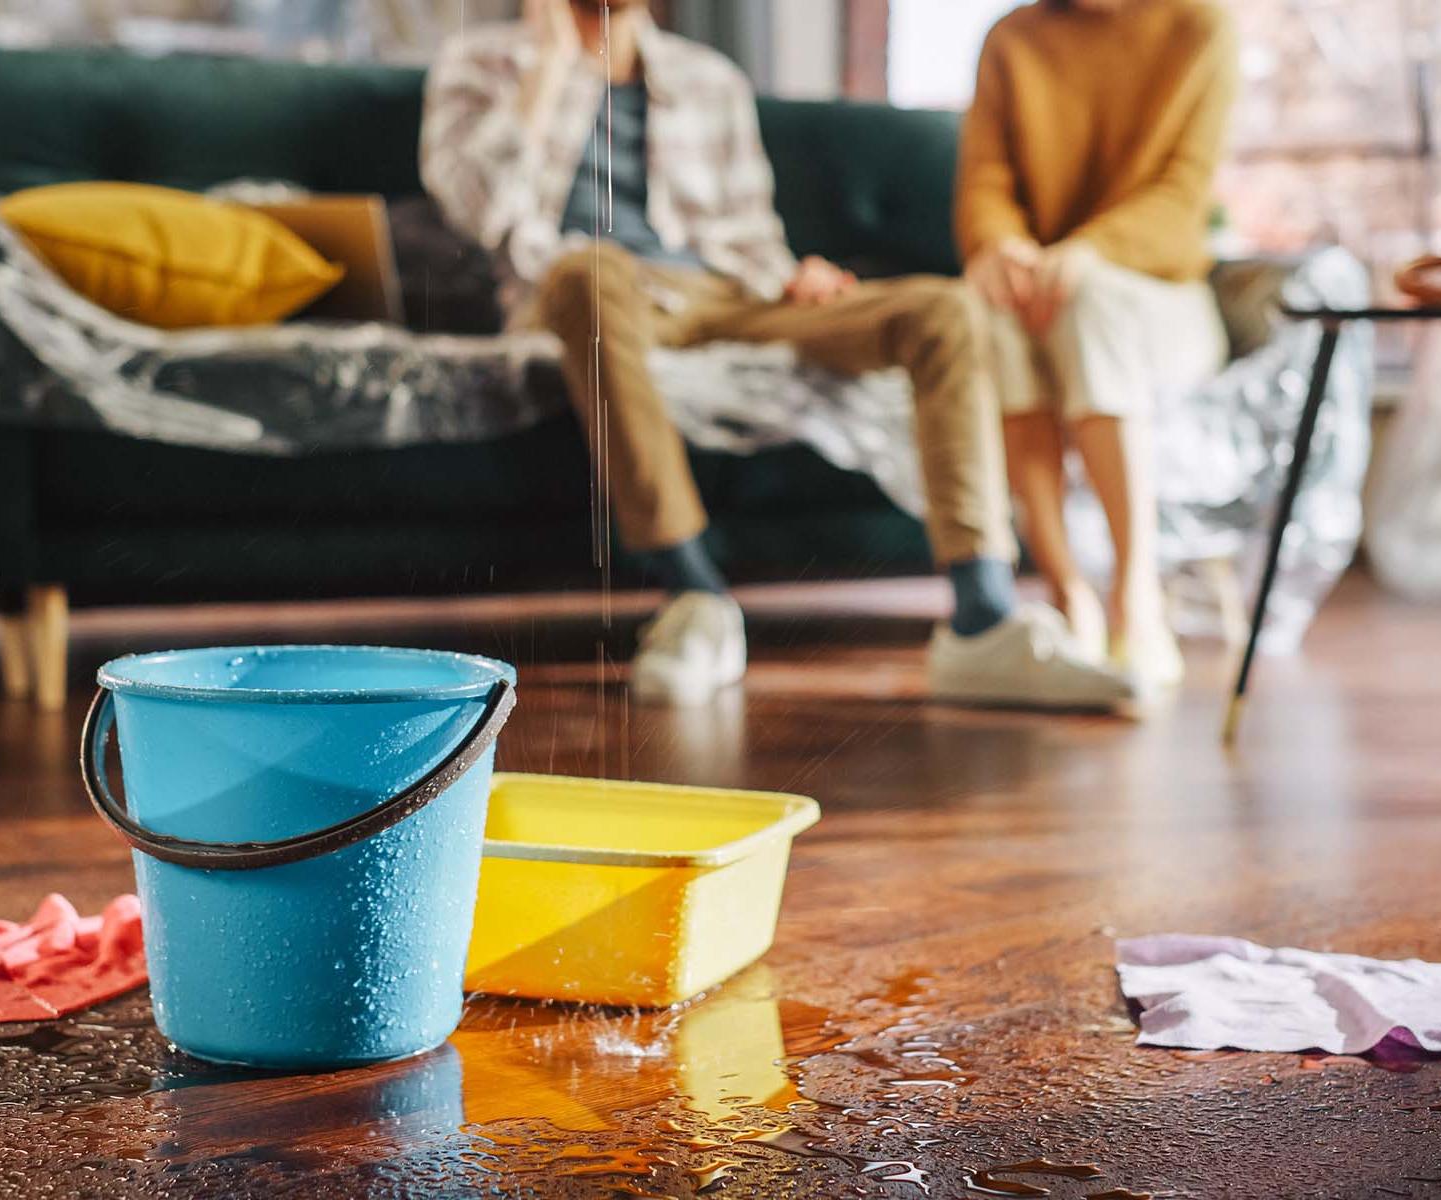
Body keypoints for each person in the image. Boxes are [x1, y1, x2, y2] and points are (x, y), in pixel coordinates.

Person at [421, 0, 1135, 712]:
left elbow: (749, 230)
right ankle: (695, 596)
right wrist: (548, 67)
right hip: (592, 292)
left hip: (726, 293)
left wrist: (792, 275)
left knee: (941, 311)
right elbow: (483, 212)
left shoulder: (708, 79)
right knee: (589, 272)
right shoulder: (483, 66)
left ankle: (983, 619)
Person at [956, 0, 1237, 687]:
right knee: (982, 315)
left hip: (1160, 298)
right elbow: (983, 180)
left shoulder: (1199, 26)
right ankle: (1065, 589)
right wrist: (1002, 248)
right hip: (1042, 291)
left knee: (1089, 303)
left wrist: (1087, 252)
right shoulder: (1012, 38)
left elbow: (1182, 194)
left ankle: (1133, 596)